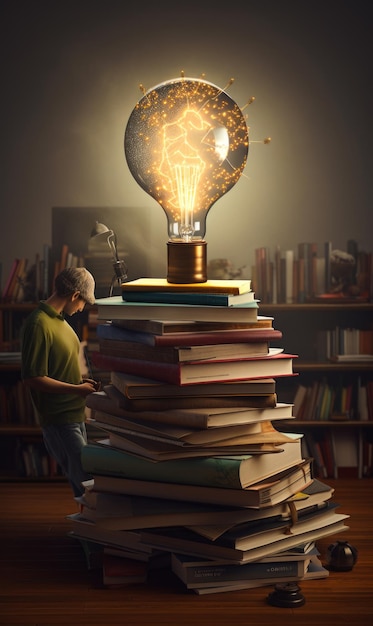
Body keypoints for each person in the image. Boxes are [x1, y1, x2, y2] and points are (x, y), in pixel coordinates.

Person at [21, 267, 100, 498]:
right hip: (59, 418)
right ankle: (90, 533)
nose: (82, 308)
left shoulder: (62, 323)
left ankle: (86, 533)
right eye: (83, 302)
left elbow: (59, 369)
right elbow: (33, 378)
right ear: (75, 295)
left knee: (83, 485)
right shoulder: (38, 324)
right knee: (87, 483)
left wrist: (80, 382)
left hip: (74, 414)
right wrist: (77, 389)